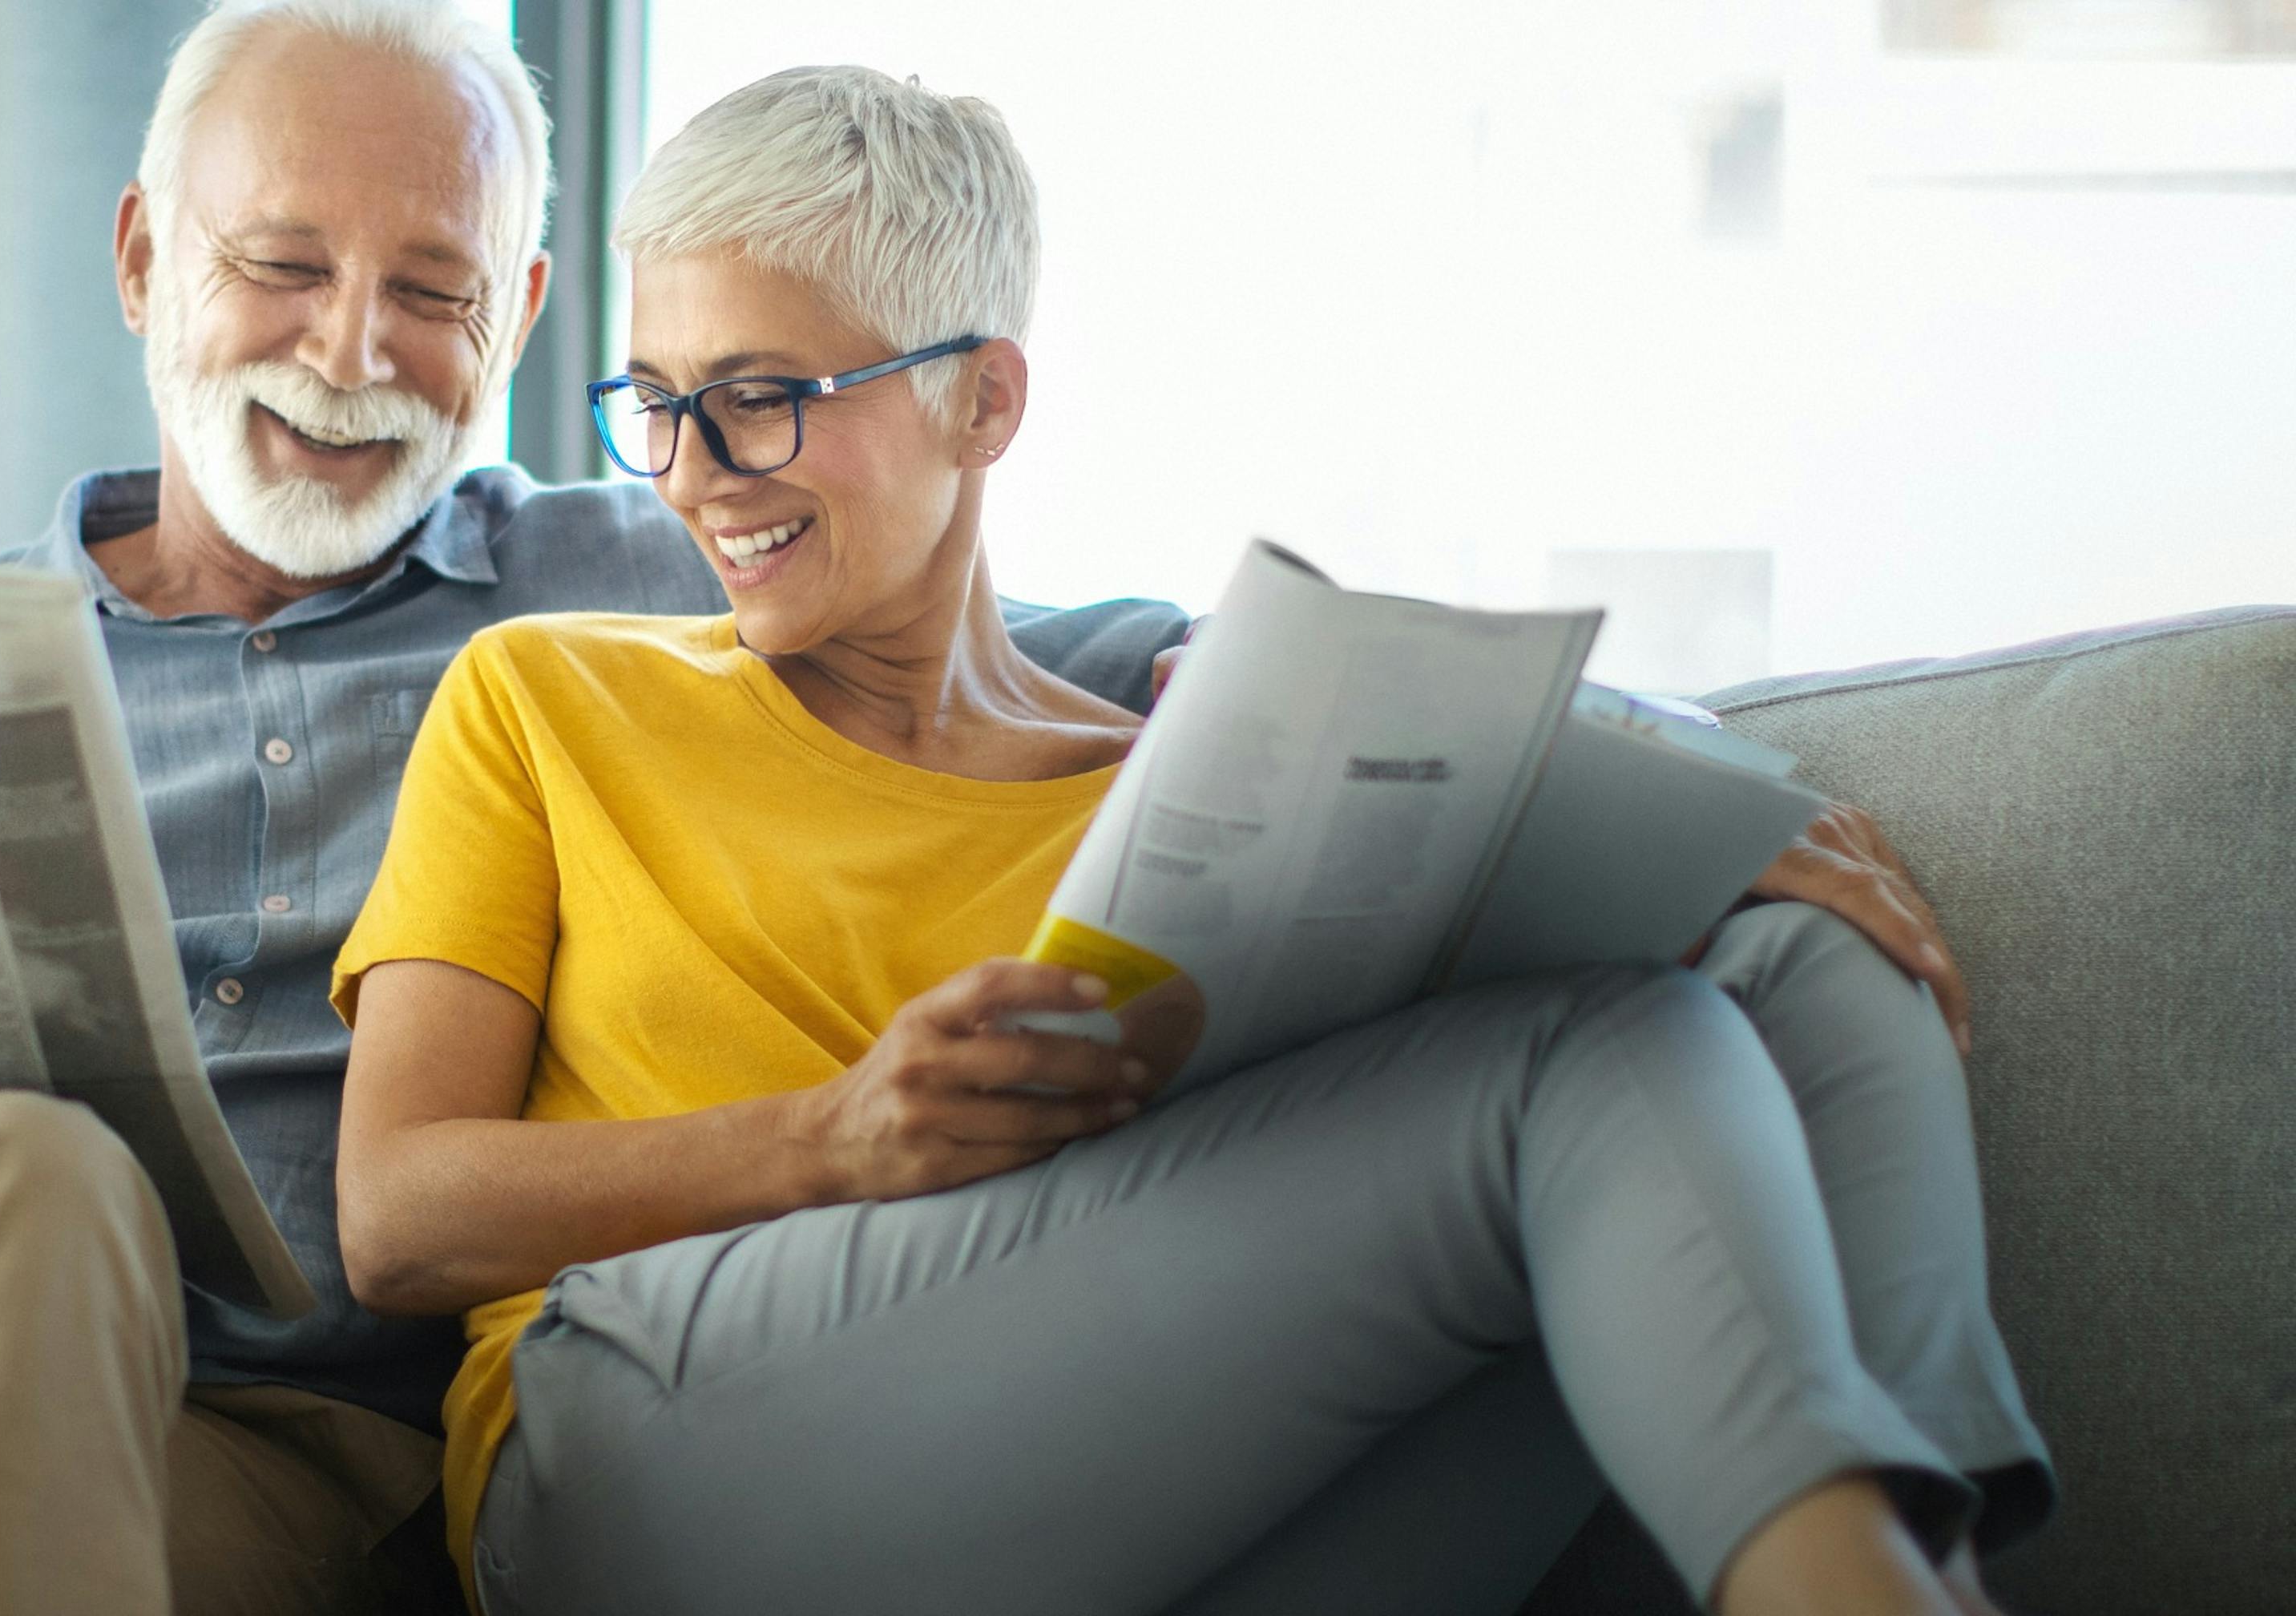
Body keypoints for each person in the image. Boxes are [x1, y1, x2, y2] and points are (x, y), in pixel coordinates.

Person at [0, 7, 1157, 1614]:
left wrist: (1232, 701)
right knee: (9, 1184)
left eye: (435, 289)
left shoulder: (645, 570)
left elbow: (957, 604)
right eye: (281, 264)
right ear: (144, 260)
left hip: (263, 1435)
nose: (353, 350)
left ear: (520, 318)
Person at [330, 64, 2055, 1616]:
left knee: (1792, 975)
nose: (698, 473)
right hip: (649, 1469)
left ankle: (1933, 1565)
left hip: (1100, 1488)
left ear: (984, 403)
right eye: (659, 399)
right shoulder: (545, 699)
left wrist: (1695, 828)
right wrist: (832, 1142)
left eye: (767, 394)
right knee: (1608, 1057)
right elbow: (396, 1216)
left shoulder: (1173, 792)